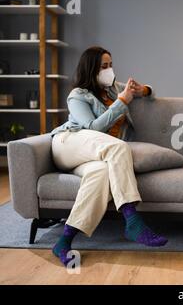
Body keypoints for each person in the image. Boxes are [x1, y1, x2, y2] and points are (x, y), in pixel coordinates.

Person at [50, 46, 168, 266]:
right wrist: (122, 102)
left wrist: (143, 89)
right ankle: (131, 218)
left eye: (111, 65)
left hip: (95, 156)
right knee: (119, 147)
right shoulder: (77, 95)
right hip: (70, 144)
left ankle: (64, 242)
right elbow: (92, 128)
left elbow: (149, 91)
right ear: (91, 68)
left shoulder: (114, 89)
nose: (109, 70)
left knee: (101, 174)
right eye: (104, 66)